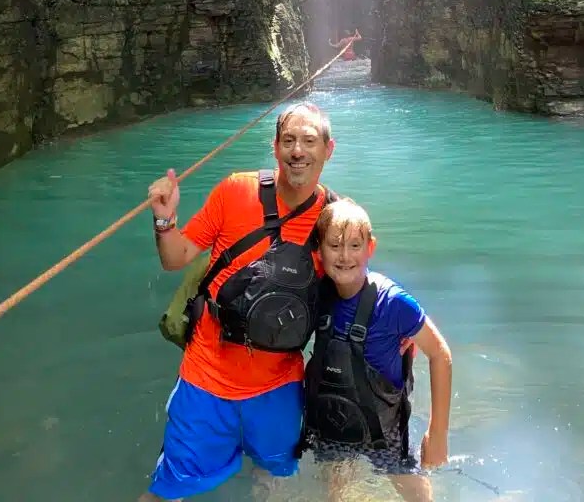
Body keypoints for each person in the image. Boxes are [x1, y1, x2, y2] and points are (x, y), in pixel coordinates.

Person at [139, 102, 336, 502]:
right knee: (165, 492)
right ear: (275, 147)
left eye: (309, 141)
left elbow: (354, 288)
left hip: (277, 386)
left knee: (274, 482)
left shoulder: (333, 219)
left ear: (328, 150)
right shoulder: (235, 191)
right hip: (206, 378)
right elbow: (175, 257)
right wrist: (164, 219)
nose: (298, 151)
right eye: (289, 140)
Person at [304, 198, 453, 502]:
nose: (345, 256)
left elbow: (440, 355)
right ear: (319, 252)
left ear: (370, 248)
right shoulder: (317, 293)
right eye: (334, 246)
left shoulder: (394, 303)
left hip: (383, 432)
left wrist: (437, 436)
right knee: (335, 493)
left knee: (414, 493)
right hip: (332, 426)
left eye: (355, 246)